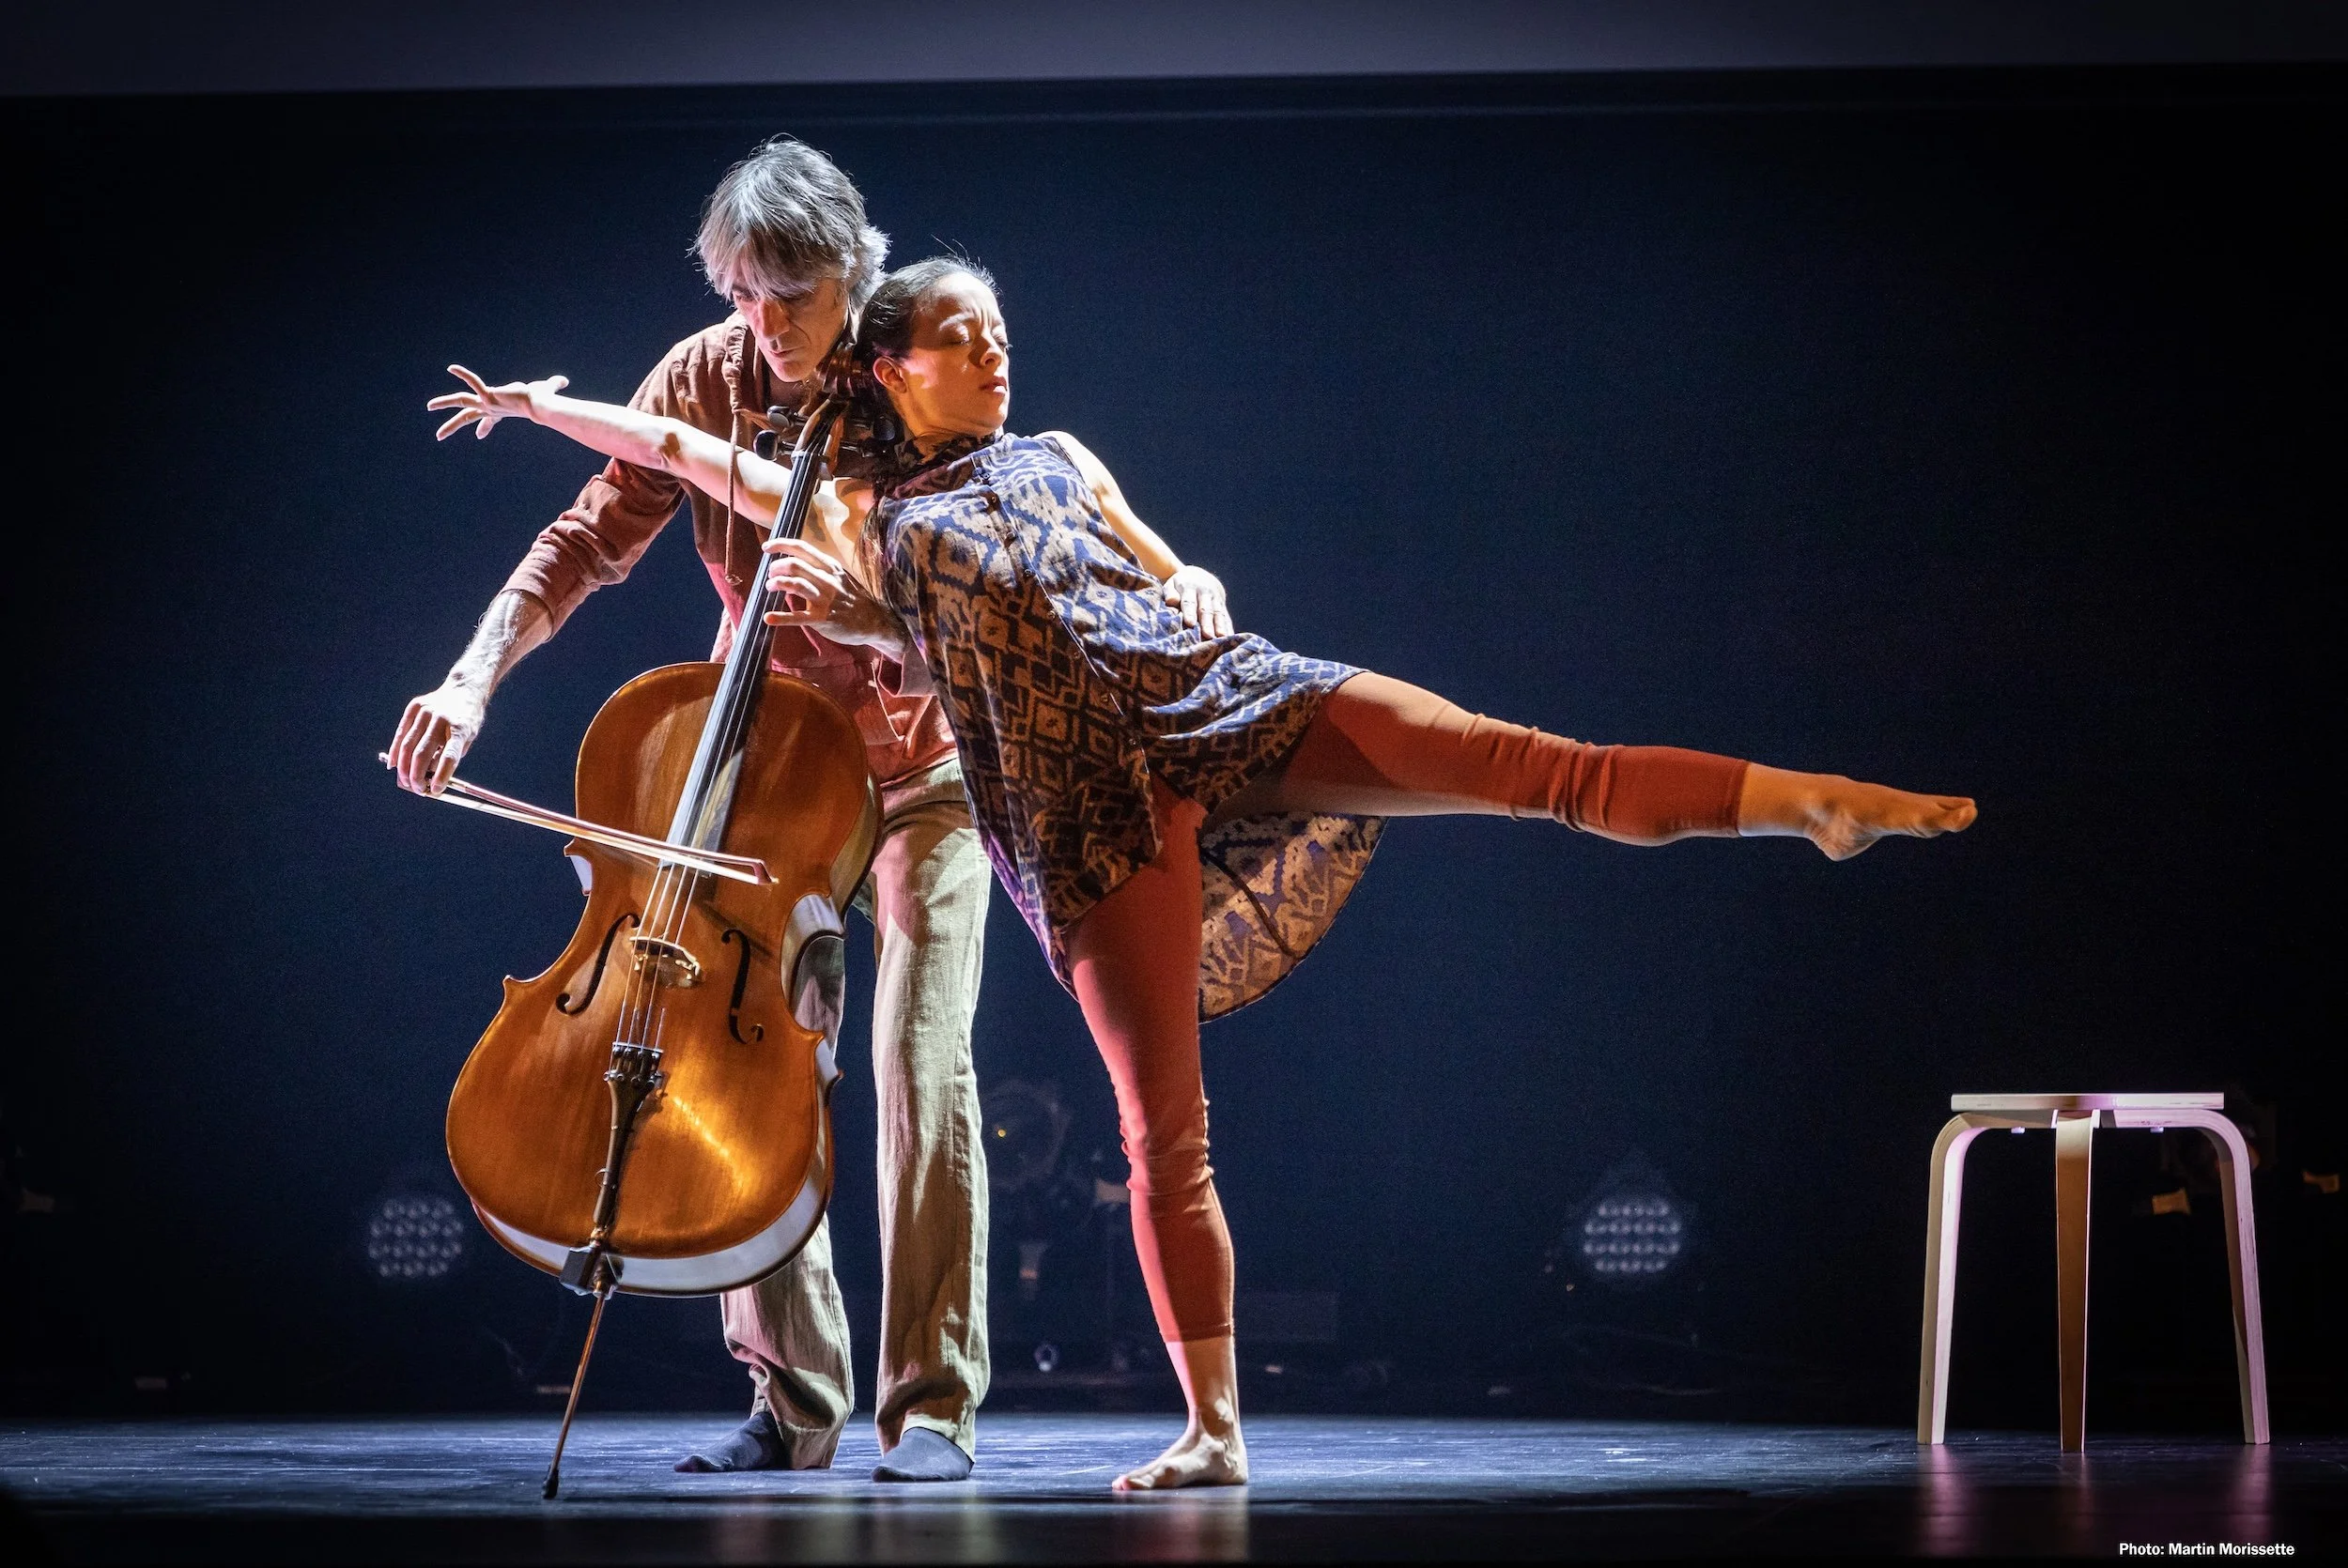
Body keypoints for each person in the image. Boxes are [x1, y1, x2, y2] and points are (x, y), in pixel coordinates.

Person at [425, 258, 1977, 1491]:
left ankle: (1812, 801)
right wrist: (557, 409)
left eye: (999, 329)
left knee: (1525, 763)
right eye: (962, 337)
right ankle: (1215, 1427)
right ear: (893, 371)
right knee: (1166, 1132)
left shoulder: (1060, 450)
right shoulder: (861, 522)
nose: (994, 350)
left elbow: (1178, 570)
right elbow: (689, 450)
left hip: (1220, 700)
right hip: (1089, 812)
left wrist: (1191, 585)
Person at [390, 144, 1232, 1483]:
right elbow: (589, 537)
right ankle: (790, 1400)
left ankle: (934, 1404)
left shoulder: (913, 372)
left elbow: (1019, 557)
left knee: (915, 1054)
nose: (763, 326)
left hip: (927, 769)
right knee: (745, 1055)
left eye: (792, 295)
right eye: (741, 295)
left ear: (856, 274)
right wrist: (468, 674)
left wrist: (896, 613)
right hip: (773, 771)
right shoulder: (706, 370)